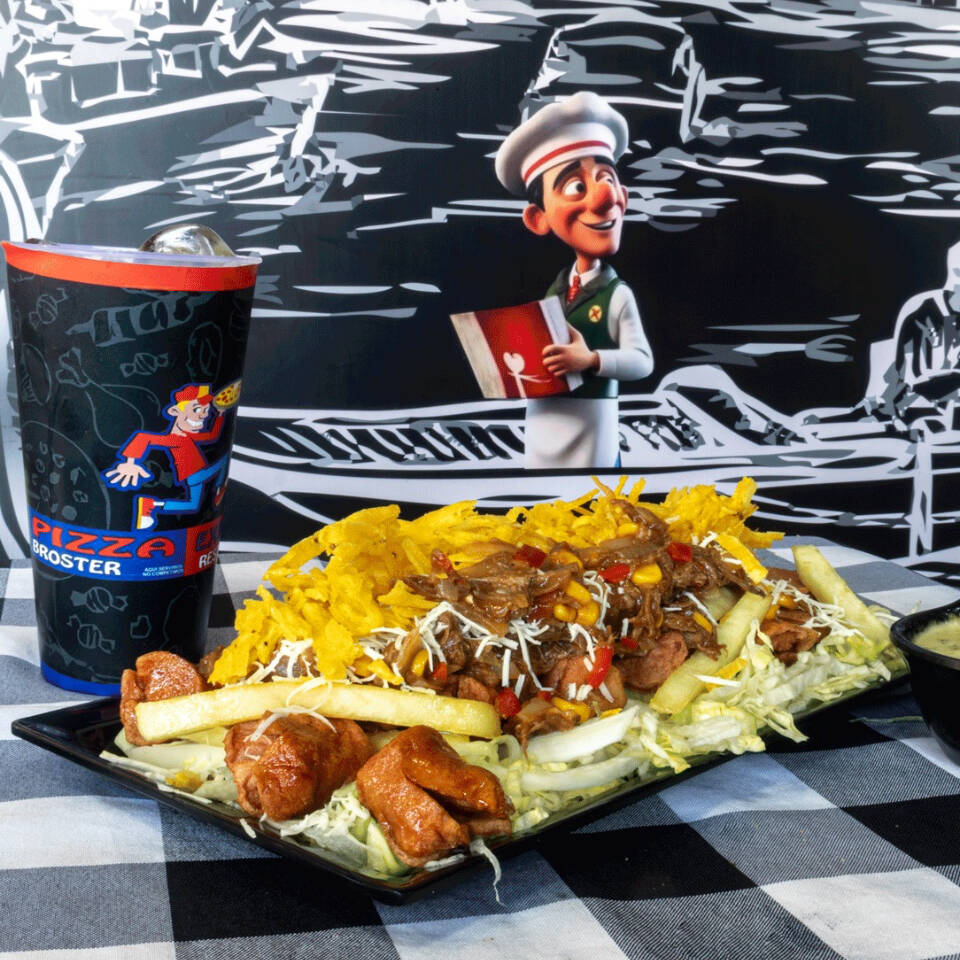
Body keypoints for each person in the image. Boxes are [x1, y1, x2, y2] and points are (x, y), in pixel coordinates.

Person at [495, 90, 653, 468]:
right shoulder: (557, 288)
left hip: (591, 425)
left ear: (622, 195)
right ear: (538, 218)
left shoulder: (616, 295)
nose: (603, 198)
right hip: (544, 423)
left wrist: (592, 360)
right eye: (576, 187)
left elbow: (642, 361)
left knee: (593, 498)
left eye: (606, 179)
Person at [104, 384, 228, 530]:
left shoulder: (189, 436)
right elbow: (144, 437)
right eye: (196, 409)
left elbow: (211, 436)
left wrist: (220, 415)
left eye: (206, 410)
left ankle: (152, 505)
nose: (204, 415)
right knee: (222, 462)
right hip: (194, 474)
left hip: (194, 475)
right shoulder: (174, 439)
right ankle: (219, 489)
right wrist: (130, 462)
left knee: (192, 505)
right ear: (174, 411)